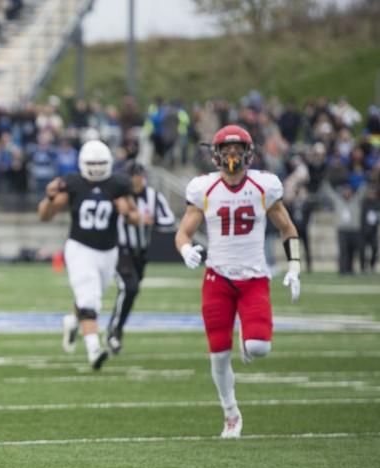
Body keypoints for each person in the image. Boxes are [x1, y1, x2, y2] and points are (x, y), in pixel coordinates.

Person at [175, 124, 302, 439]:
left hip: (254, 278)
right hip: (217, 279)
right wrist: (185, 249)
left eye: (238, 150)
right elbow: (183, 232)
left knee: (258, 348)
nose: (233, 156)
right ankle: (230, 412)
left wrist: (295, 265)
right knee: (218, 356)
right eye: (227, 150)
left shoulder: (263, 187)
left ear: (249, 154)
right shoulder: (204, 188)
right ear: (216, 155)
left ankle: (248, 338)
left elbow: (288, 229)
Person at [38, 139, 141, 370]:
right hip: (80, 248)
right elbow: (45, 215)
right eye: (91, 163)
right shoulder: (74, 183)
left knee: (91, 298)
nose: (95, 168)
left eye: (100, 163)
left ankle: (73, 321)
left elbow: (136, 218)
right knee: (89, 299)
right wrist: (49, 197)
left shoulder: (118, 184)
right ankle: (94, 350)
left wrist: (127, 213)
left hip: (108, 251)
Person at [106, 162, 175, 354]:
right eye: (132, 176)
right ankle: (114, 333)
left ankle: (115, 329)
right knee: (129, 287)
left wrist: (151, 221)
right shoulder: (117, 195)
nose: (135, 180)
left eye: (138, 176)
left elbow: (169, 220)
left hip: (141, 253)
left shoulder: (153, 197)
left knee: (131, 292)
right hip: (120, 250)